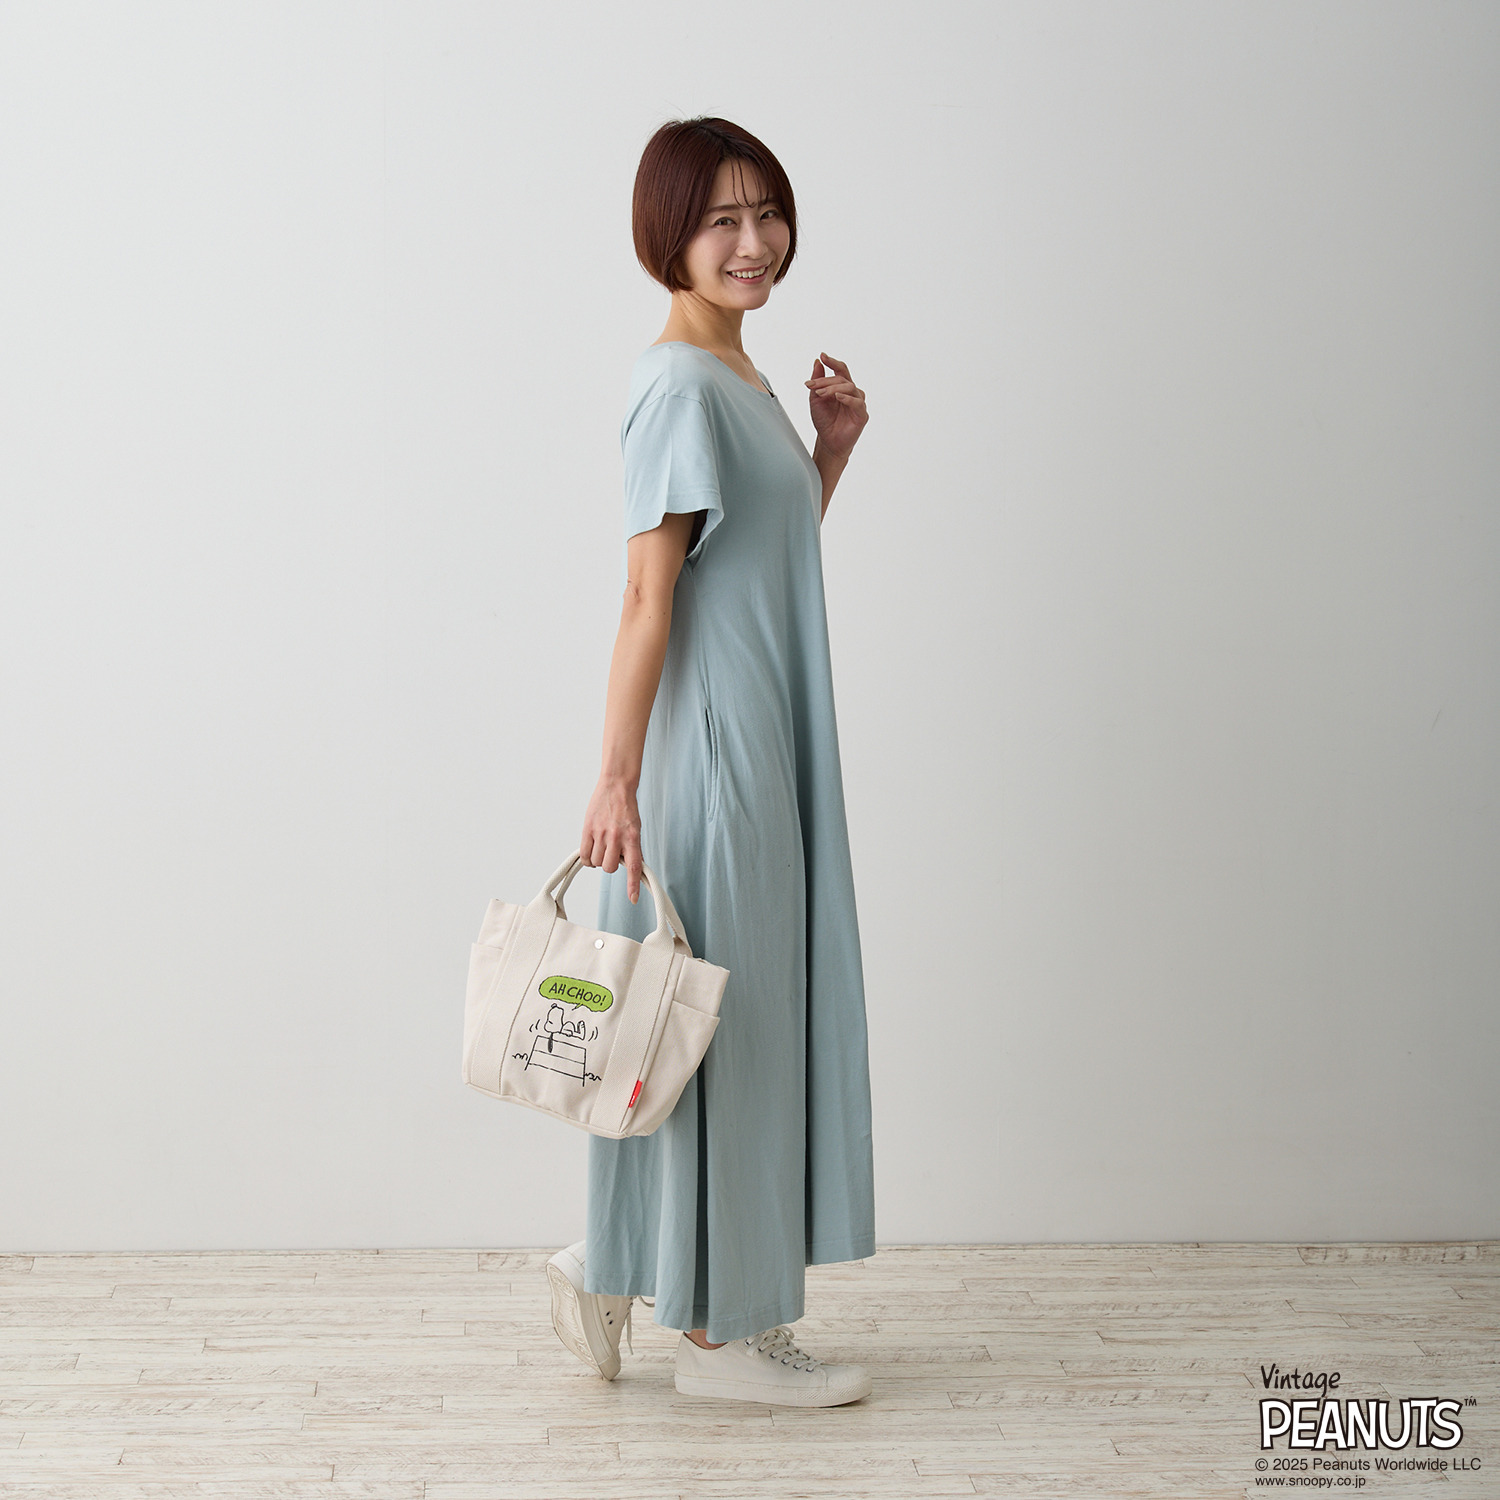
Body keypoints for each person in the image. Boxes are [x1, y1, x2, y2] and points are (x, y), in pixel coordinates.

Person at [544, 116, 875, 1407]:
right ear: (667, 238)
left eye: (766, 213)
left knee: (709, 1020)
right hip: (721, 752)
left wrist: (825, 459)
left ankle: (615, 1258)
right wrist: (615, 778)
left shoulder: (737, 375)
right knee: (732, 1029)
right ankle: (722, 1342)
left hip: (762, 736)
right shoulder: (681, 385)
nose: (753, 242)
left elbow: (749, 566)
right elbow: (648, 597)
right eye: (721, 220)